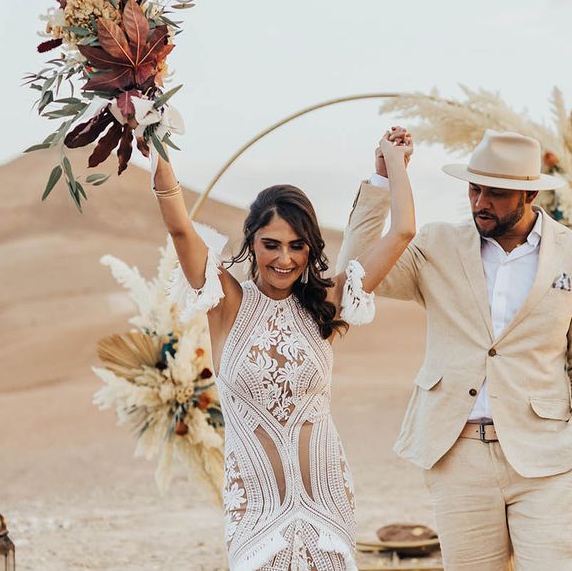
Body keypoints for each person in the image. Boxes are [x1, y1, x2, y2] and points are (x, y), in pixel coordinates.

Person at [337, 129, 572, 570]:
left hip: (547, 455)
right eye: (474, 188)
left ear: (527, 195)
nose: (480, 201)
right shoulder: (435, 245)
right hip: (458, 451)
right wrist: (382, 182)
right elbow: (355, 272)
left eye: (496, 193)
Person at [152, 129, 415, 571]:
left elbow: (404, 230)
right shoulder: (225, 302)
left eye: (297, 246)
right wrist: (155, 145)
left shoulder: (325, 304)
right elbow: (179, 226)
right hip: (253, 508)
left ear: (310, 247)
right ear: (251, 241)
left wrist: (395, 164)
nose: (285, 259)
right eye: (271, 244)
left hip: (327, 501)